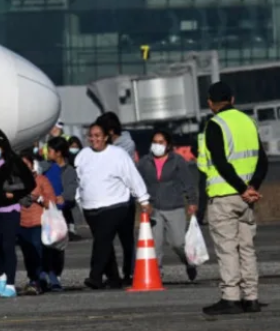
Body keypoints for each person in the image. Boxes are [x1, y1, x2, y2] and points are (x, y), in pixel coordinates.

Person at [200, 82, 269, 315]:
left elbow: (220, 162)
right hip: (247, 198)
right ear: (233, 99)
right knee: (247, 248)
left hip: (224, 196)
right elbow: (263, 160)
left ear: (210, 103)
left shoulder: (214, 125)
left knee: (227, 248)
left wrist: (241, 187)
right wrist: (252, 187)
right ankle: (251, 297)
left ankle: (231, 297)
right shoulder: (248, 122)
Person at [75, 122, 151, 290]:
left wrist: (143, 199)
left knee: (102, 240)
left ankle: (95, 276)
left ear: (106, 137)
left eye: (97, 136)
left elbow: (132, 177)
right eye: (91, 136)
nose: (94, 139)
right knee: (104, 243)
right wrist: (80, 201)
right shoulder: (82, 156)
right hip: (90, 207)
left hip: (115, 205)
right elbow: (80, 181)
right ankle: (113, 278)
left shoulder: (118, 155)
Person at [136, 130, 200, 283]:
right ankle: (157, 273)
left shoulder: (177, 160)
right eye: (155, 142)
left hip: (174, 206)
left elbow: (188, 182)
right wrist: (142, 201)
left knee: (178, 242)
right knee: (155, 244)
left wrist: (192, 201)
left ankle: (189, 263)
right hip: (154, 208)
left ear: (168, 144)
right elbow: (137, 182)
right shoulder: (145, 162)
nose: (157, 145)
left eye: (161, 142)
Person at [0, 130, 34, 298]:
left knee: (8, 246)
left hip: (10, 210)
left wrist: (15, 195)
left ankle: (10, 283)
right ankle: (1, 274)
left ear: (3, 147)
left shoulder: (14, 162)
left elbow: (29, 183)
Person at [16, 149, 56, 295]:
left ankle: (38, 280)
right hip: (21, 223)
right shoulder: (16, 182)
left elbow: (51, 202)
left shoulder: (41, 180)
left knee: (37, 252)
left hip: (38, 223)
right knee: (27, 254)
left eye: (26, 164)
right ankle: (33, 278)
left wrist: (38, 198)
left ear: (33, 165)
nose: (24, 167)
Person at [42, 137, 77, 290]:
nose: (47, 153)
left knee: (58, 247)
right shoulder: (45, 167)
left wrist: (64, 196)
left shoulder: (69, 170)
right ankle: (46, 275)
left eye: (49, 150)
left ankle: (56, 275)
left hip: (61, 215)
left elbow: (72, 189)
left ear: (58, 153)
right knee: (45, 246)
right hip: (45, 213)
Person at [64, 136, 85, 240]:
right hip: (71, 186)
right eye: (72, 146)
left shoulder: (83, 157)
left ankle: (73, 228)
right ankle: (70, 229)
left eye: (76, 146)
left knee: (78, 208)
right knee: (70, 207)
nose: (74, 149)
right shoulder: (66, 160)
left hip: (81, 185)